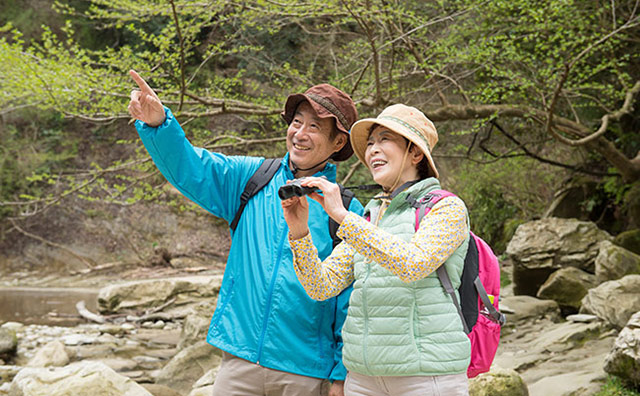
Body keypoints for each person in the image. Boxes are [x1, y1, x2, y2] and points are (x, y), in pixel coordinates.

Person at [127, 70, 364, 396]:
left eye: (314, 127)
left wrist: (340, 373)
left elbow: (353, 299)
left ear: (338, 142)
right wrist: (158, 124)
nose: (300, 133)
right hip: (239, 358)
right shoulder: (252, 178)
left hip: (306, 369)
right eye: (297, 122)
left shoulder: (346, 210)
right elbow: (191, 167)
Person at [281, 104, 471, 396]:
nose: (372, 150)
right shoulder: (372, 216)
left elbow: (413, 264)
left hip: (427, 377)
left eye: (385, 140)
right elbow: (321, 286)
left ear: (415, 153)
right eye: (369, 143)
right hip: (363, 377)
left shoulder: (446, 208)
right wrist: (299, 232)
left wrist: (343, 216)